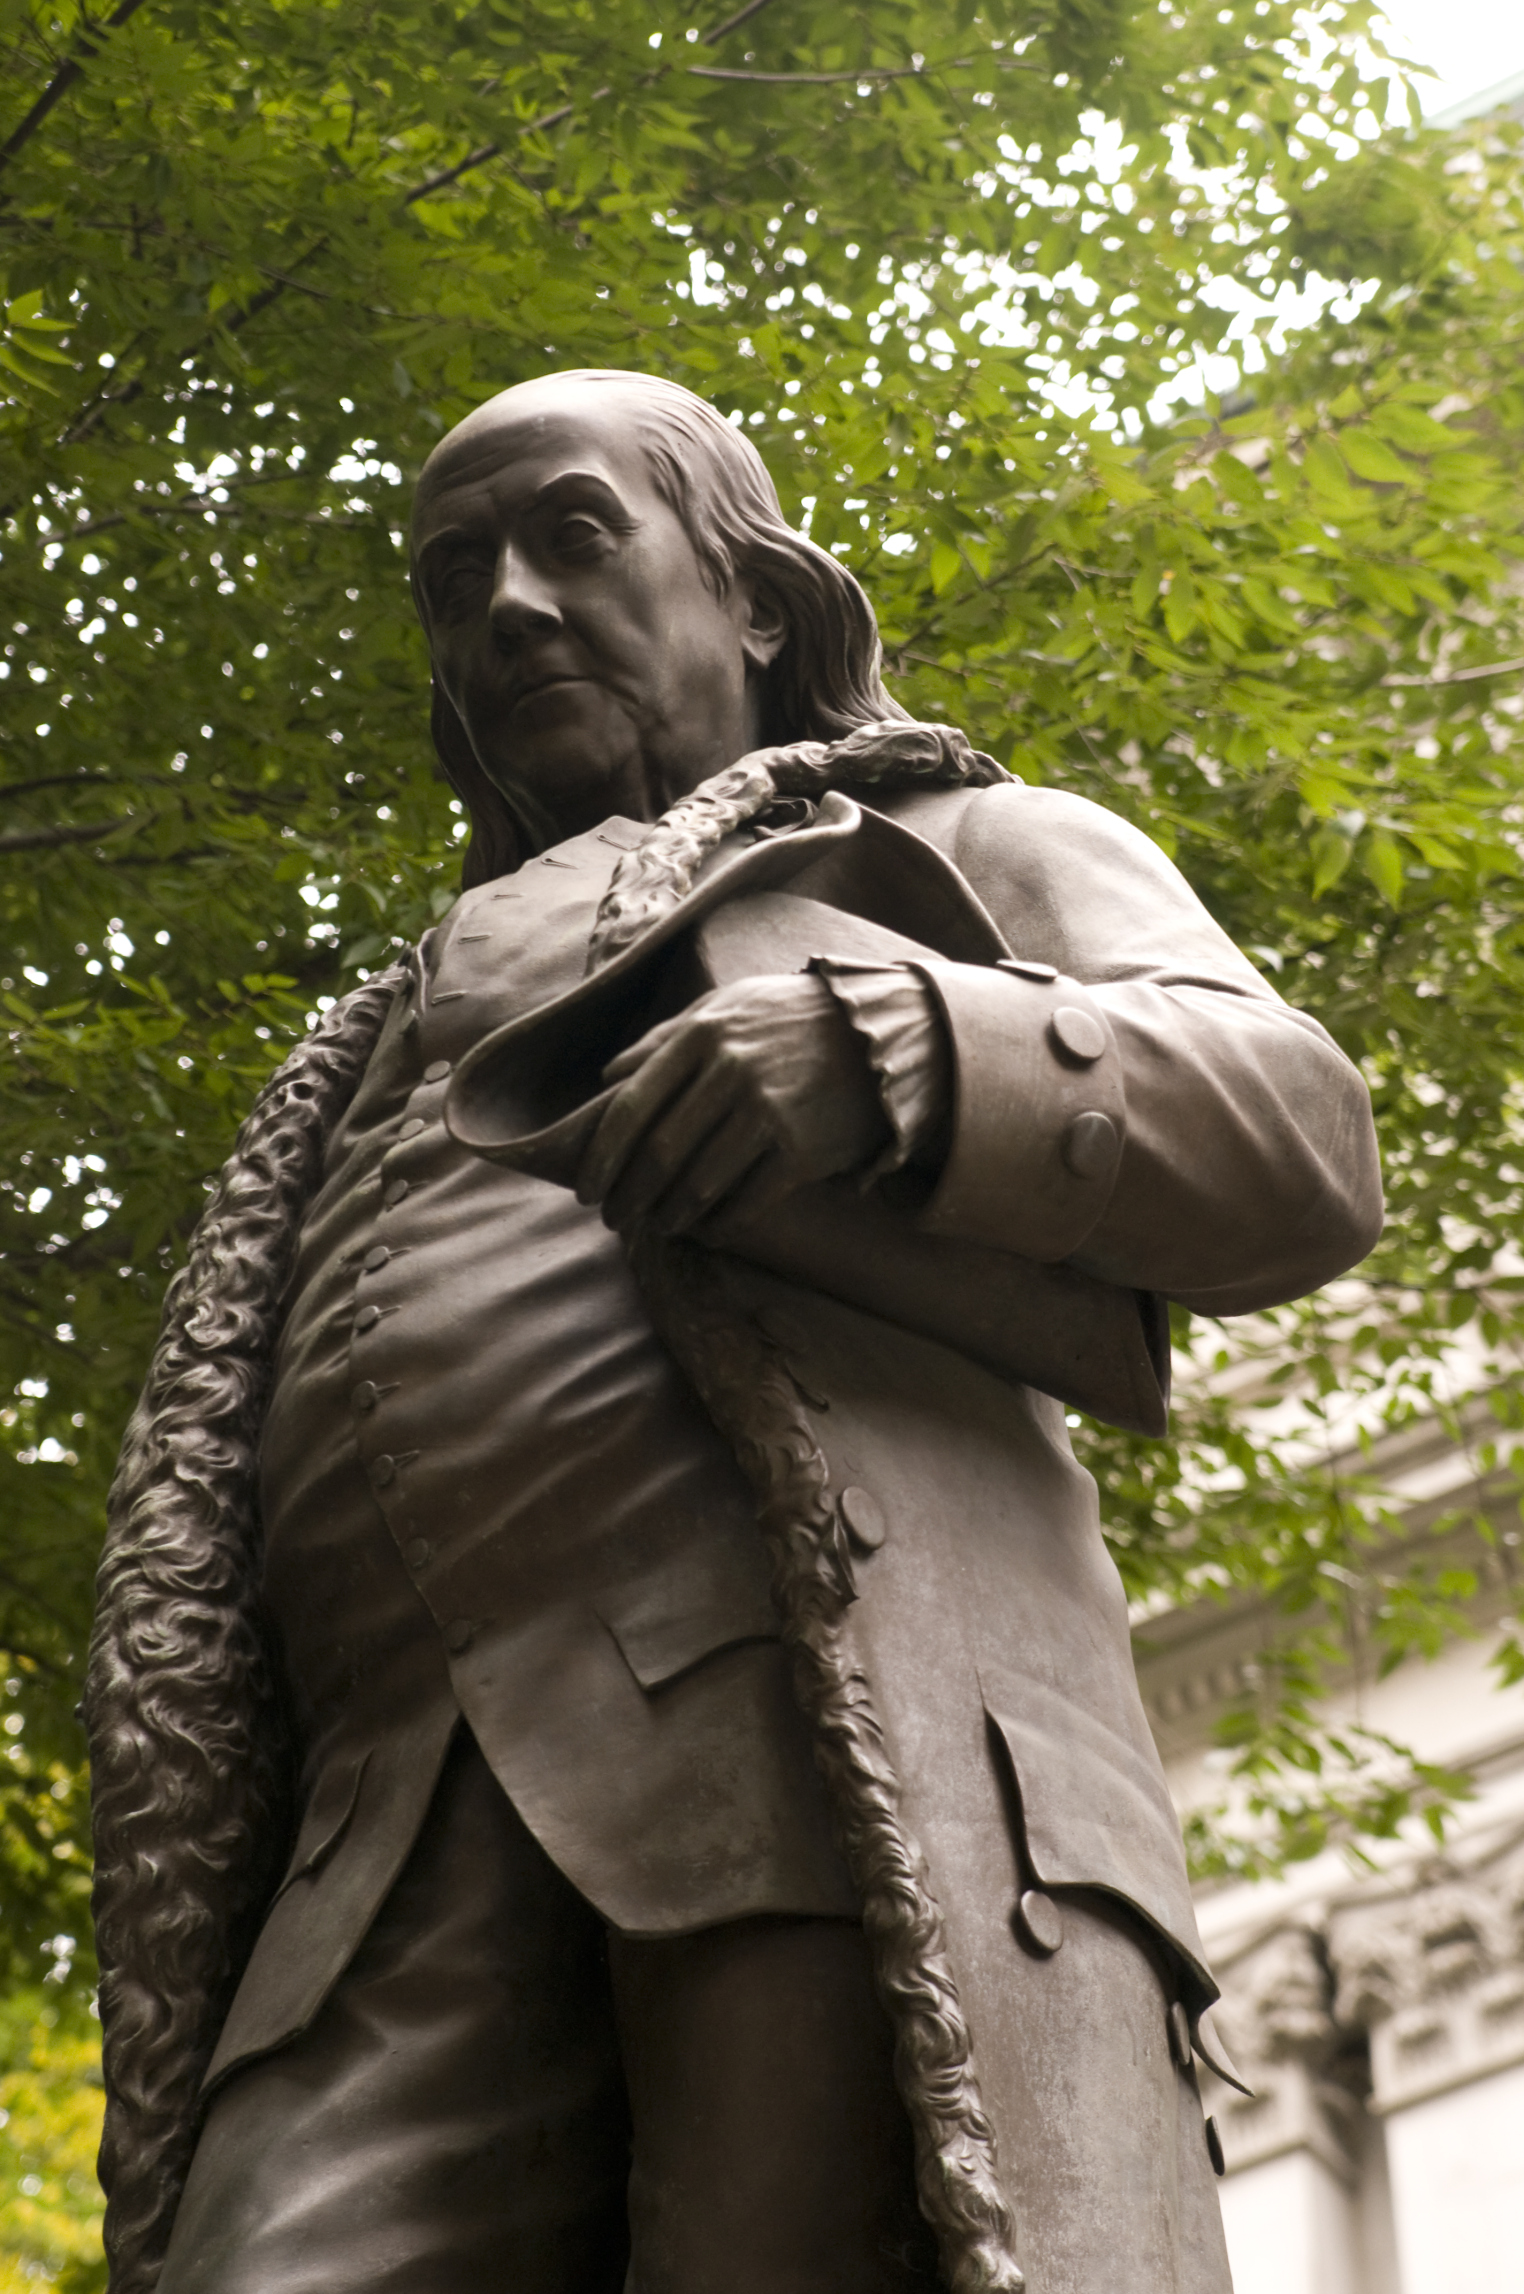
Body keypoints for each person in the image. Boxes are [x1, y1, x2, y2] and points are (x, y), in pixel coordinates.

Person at [87, 370, 1384, 2294]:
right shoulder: (363, 1043)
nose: (508, 603)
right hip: (374, 1871)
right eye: (457, 575)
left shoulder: (952, 841)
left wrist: (907, 1045)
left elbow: (1298, 1133)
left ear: (754, 597)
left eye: (575, 534)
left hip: (807, 1768)